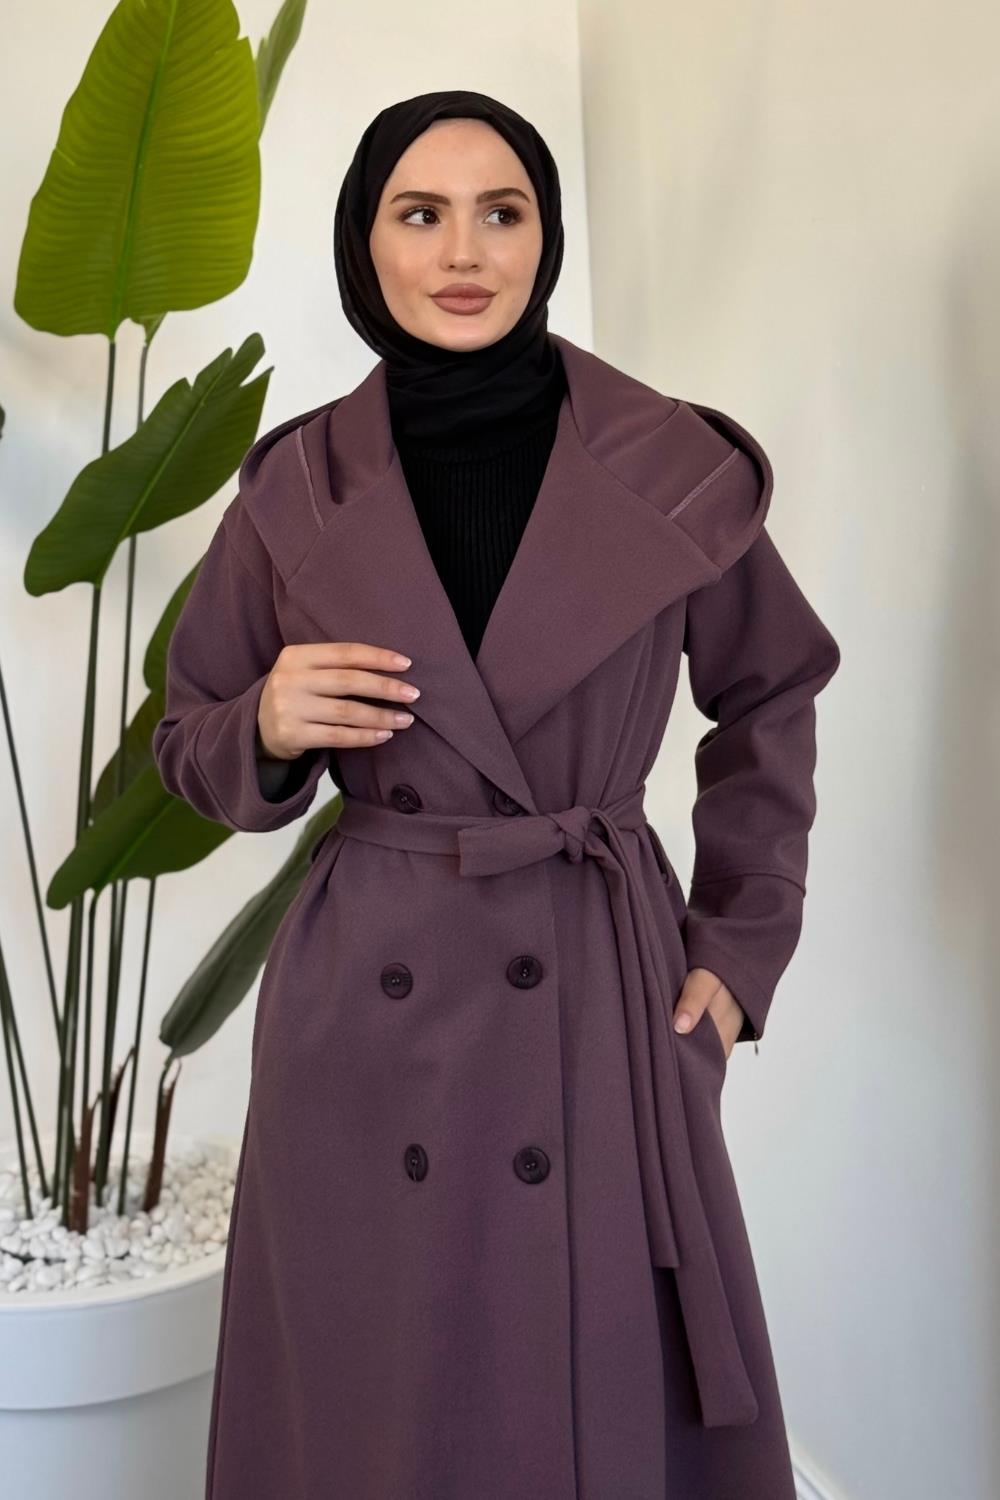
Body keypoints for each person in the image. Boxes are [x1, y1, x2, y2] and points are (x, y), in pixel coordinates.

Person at [153, 89, 840, 1500]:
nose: (464, 251)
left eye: (502, 211)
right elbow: (188, 742)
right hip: (366, 1010)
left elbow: (772, 689)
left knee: (585, 1384)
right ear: (367, 244)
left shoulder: (668, 464)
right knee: (375, 1398)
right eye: (421, 213)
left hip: (594, 976)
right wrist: (267, 723)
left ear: (545, 236)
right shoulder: (297, 488)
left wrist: (738, 948)